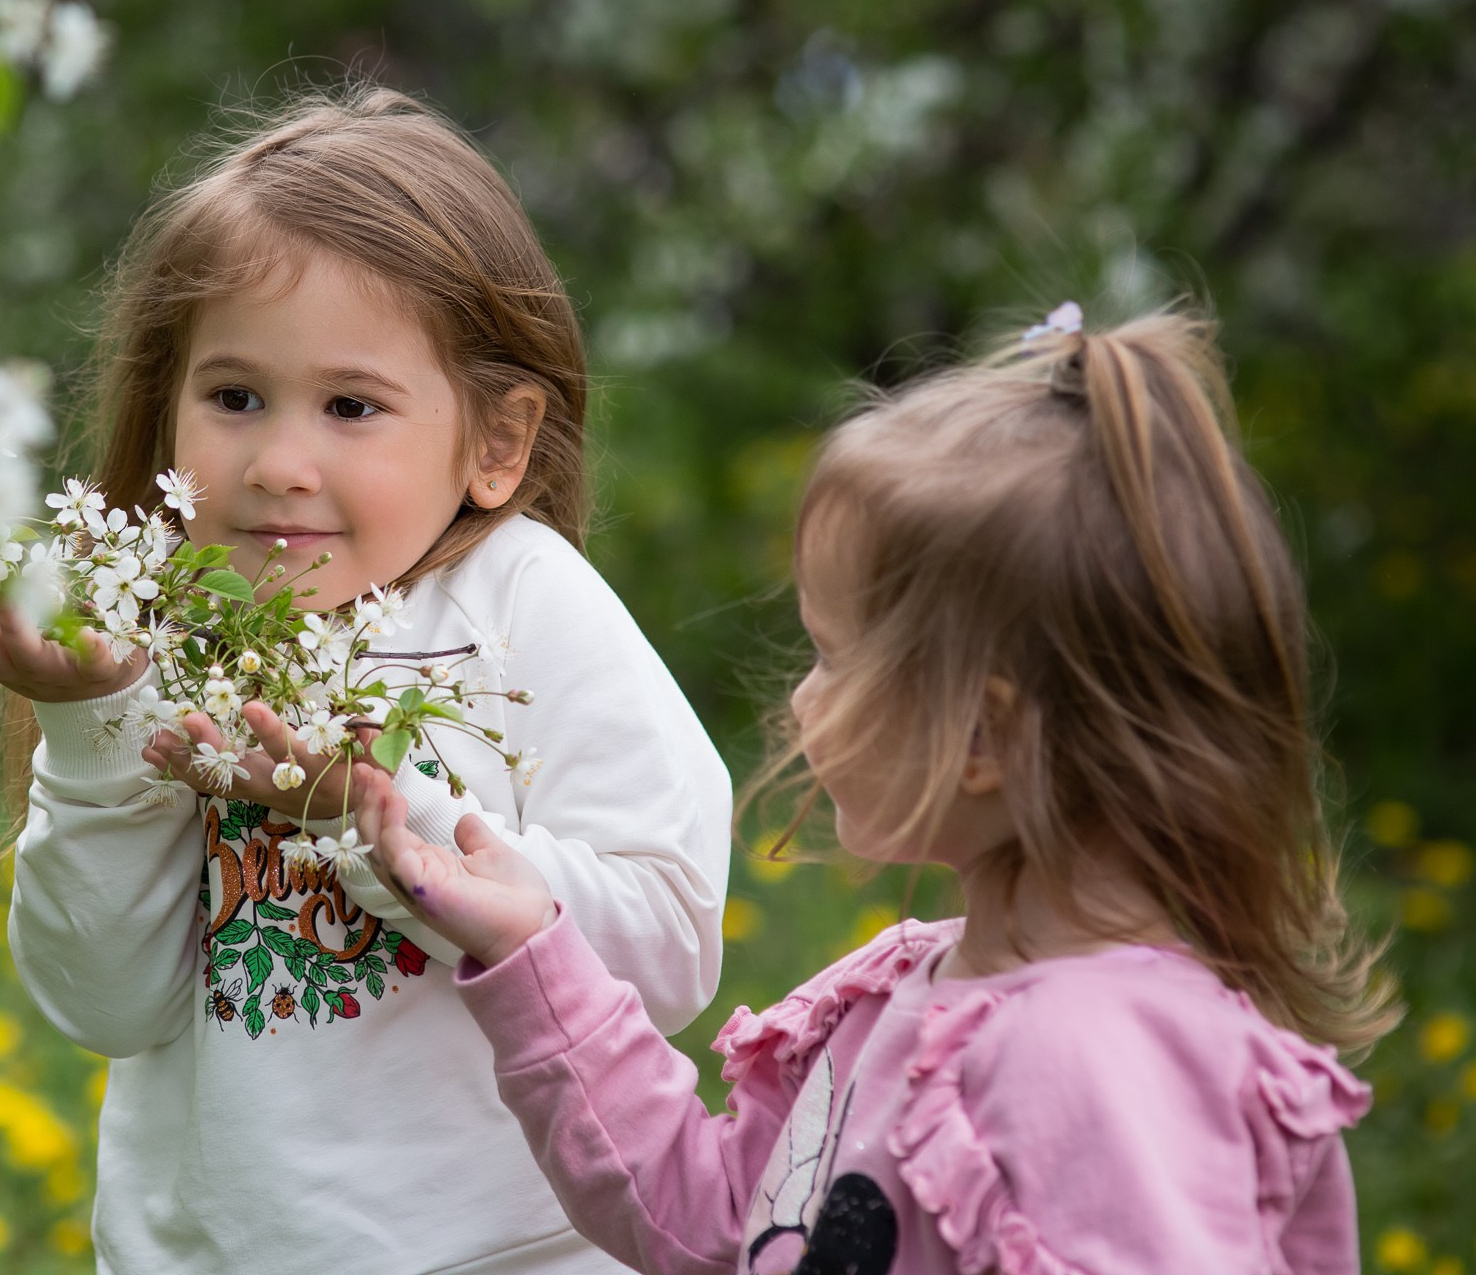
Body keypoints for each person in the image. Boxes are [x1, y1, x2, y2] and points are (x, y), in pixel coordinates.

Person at [357, 305, 1394, 1275]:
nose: (800, 701)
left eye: (835, 657)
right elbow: (722, 1220)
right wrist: (534, 948)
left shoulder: (1097, 1070)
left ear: (982, 735)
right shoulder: (917, 989)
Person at [0, 86, 733, 1273]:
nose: (279, 463)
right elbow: (103, 1002)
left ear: (495, 444)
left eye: (351, 406)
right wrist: (90, 727)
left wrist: (389, 824)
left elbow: (671, 945)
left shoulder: (524, 606)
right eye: (234, 398)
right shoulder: (151, 632)